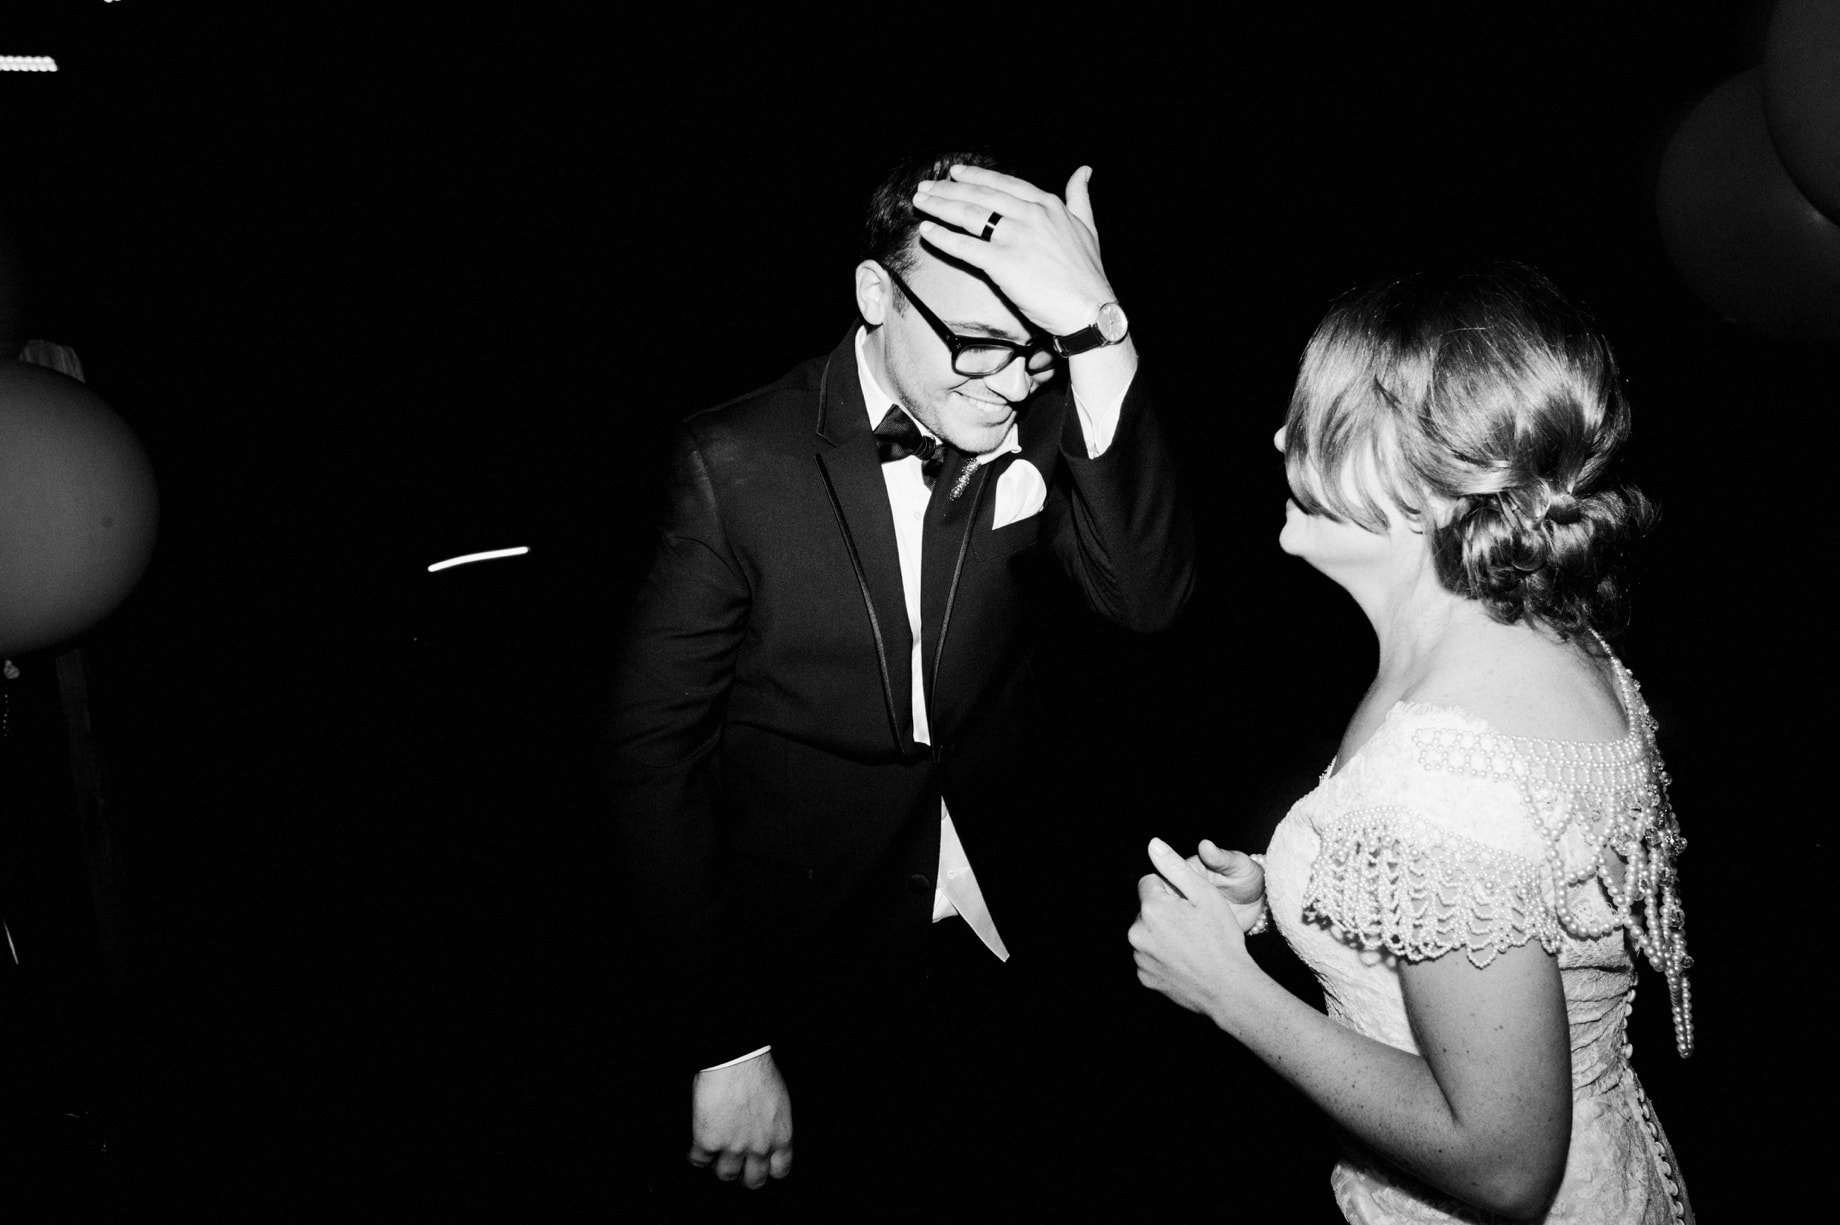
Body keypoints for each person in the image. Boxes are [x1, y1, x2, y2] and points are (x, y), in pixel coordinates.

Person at [609, 151, 1193, 1214]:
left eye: (1038, 349)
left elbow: (1147, 601)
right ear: (877, 294)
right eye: (977, 340)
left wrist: (1101, 334)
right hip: (808, 950)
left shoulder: (1059, 411)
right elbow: (654, 758)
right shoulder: (731, 458)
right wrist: (724, 1036)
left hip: (1023, 925)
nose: (1012, 381)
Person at [1129, 264, 1693, 1223]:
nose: (1277, 441)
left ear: (1432, 482)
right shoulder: (1542, 635)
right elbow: (1506, 895)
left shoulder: (1440, 770)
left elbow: (1504, 1162)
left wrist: (1228, 988)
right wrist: (1284, 892)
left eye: (1321, 424)